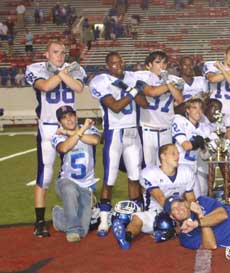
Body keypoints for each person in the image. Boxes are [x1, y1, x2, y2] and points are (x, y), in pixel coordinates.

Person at [25, 41, 86, 237]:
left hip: (70, 127)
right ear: (47, 54)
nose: (60, 56)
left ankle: (73, 214)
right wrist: (61, 72)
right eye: (55, 52)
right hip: (49, 127)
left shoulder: (74, 70)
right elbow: (44, 86)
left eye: (62, 53)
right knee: (46, 174)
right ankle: (40, 221)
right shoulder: (36, 69)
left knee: (74, 172)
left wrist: (62, 71)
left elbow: (78, 88)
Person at [89, 51, 147, 237]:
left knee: (134, 176)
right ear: (108, 65)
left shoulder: (131, 77)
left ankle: (136, 216)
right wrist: (131, 91)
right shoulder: (101, 80)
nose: (118, 65)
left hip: (133, 131)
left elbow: (144, 103)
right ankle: (104, 219)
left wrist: (132, 89)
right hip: (114, 132)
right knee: (110, 177)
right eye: (114, 63)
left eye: (120, 61)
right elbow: (114, 106)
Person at [113, 144, 197, 249]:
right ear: (163, 156)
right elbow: (161, 199)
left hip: (179, 212)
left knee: (193, 221)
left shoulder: (186, 171)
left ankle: (170, 232)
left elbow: (191, 198)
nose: (177, 156)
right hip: (155, 212)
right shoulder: (149, 173)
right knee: (137, 220)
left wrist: (188, 215)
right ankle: (126, 236)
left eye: (178, 153)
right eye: (173, 153)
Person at [51, 106, 100, 242]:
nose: (69, 119)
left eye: (71, 115)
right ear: (60, 121)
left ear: (76, 116)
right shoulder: (57, 135)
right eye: (64, 118)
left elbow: (95, 140)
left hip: (86, 185)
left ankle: (58, 215)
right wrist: (81, 130)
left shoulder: (89, 129)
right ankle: (71, 231)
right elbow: (64, 147)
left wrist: (73, 131)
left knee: (83, 231)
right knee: (69, 189)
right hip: (66, 180)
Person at [135, 51, 184, 167]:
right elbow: (151, 92)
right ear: (148, 65)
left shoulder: (174, 79)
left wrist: (167, 81)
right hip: (148, 129)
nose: (161, 66)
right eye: (157, 62)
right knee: (148, 168)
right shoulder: (142, 77)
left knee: (167, 166)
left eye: (164, 63)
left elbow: (179, 99)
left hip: (166, 129)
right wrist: (168, 84)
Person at [171, 98, 213, 196]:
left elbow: (205, 156)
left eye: (200, 108)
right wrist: (198, 142)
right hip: (179, 167)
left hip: (193, 167)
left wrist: (208, 147)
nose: (198, 111)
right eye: (194, 108)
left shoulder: (204, 128)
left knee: (200, 198)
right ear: (187, 110)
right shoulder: (179, 121)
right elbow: (186, 146)